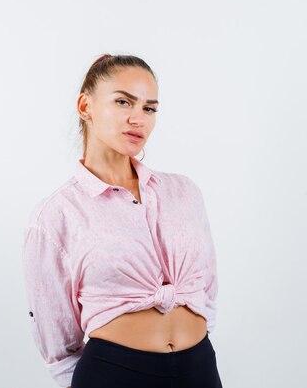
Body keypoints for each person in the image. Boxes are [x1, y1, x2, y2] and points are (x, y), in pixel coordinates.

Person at [22, 54, 222, 388]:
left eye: (149, 108)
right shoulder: (56, 215)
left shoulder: (184, 192)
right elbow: (56, 338)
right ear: (86, 106)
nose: (138, 118)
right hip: (115, 374)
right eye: (123, 102)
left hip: (199, 367)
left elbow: (208, 291)